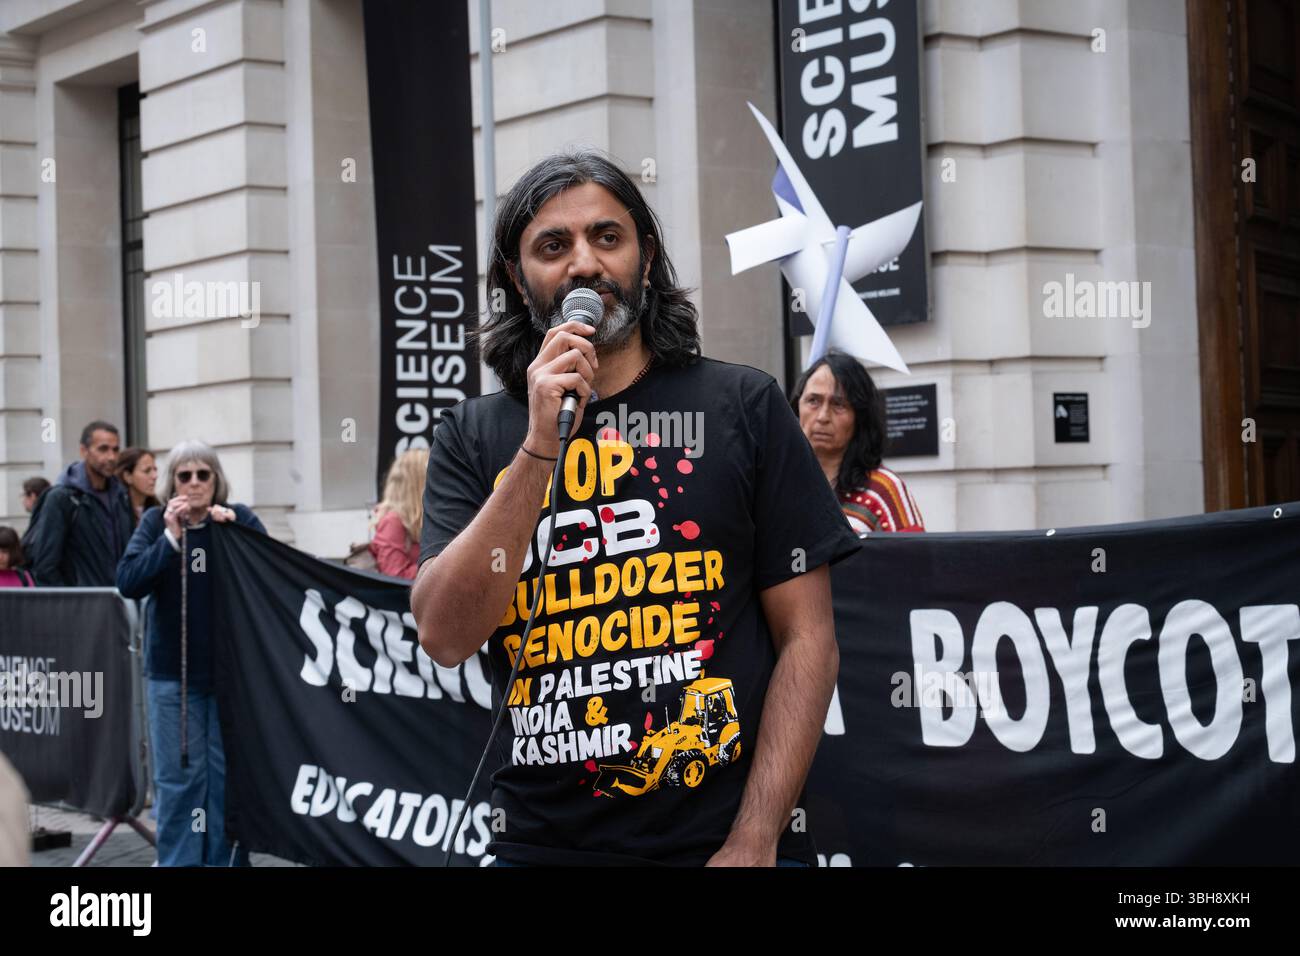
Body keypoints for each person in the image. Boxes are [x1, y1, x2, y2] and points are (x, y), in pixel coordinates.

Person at [411, 149, 862, 867]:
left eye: (607, 237)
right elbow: (444, 634)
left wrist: (755, 838)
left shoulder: (744, 407)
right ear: (515, 278)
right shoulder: (475, 436)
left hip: (714, 844)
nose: (584, 265)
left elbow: (809, 640)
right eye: (552, 246)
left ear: (646, 260)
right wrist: (535, 449)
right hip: (540, 844)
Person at [116, 440, 265, 867]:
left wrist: (237, 535)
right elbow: (128, 581)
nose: (196, 483)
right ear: (172, 482)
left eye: (204, 474)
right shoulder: (152, 522)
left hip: (228, 675)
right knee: (179, 780)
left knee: (226, 781)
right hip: (170, 677)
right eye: (186, 475)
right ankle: (179, 863)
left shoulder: (238, 519)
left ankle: (226, 862)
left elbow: (269, 575)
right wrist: (170, 538)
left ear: (217, 481)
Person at [791, 350, 925, 536]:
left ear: (860, 415)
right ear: (797, 406)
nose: (822, 417)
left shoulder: (884, 489)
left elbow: (915, 560)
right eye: (813, 401)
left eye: (838, 404)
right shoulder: (776, 482)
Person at [22, 421, 133, 586]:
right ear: (84, 451)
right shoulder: (62, 498)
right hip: (81, 604)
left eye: (116, 450)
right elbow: (45, 566)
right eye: (103, 449)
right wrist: (70, 604)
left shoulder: (121, 495)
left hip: (118, 602)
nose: (111, 457)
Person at [368, 449, 429, 579]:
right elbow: (395, 575)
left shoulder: (416, 519)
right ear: (417, 483)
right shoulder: (393, 521)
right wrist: (434, 565)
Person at [116, 447, 160, 529]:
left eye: (155, 470)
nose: (155, 476)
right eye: (147, 471)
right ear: (128, 476)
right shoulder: (116, 512)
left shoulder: (158, 509)